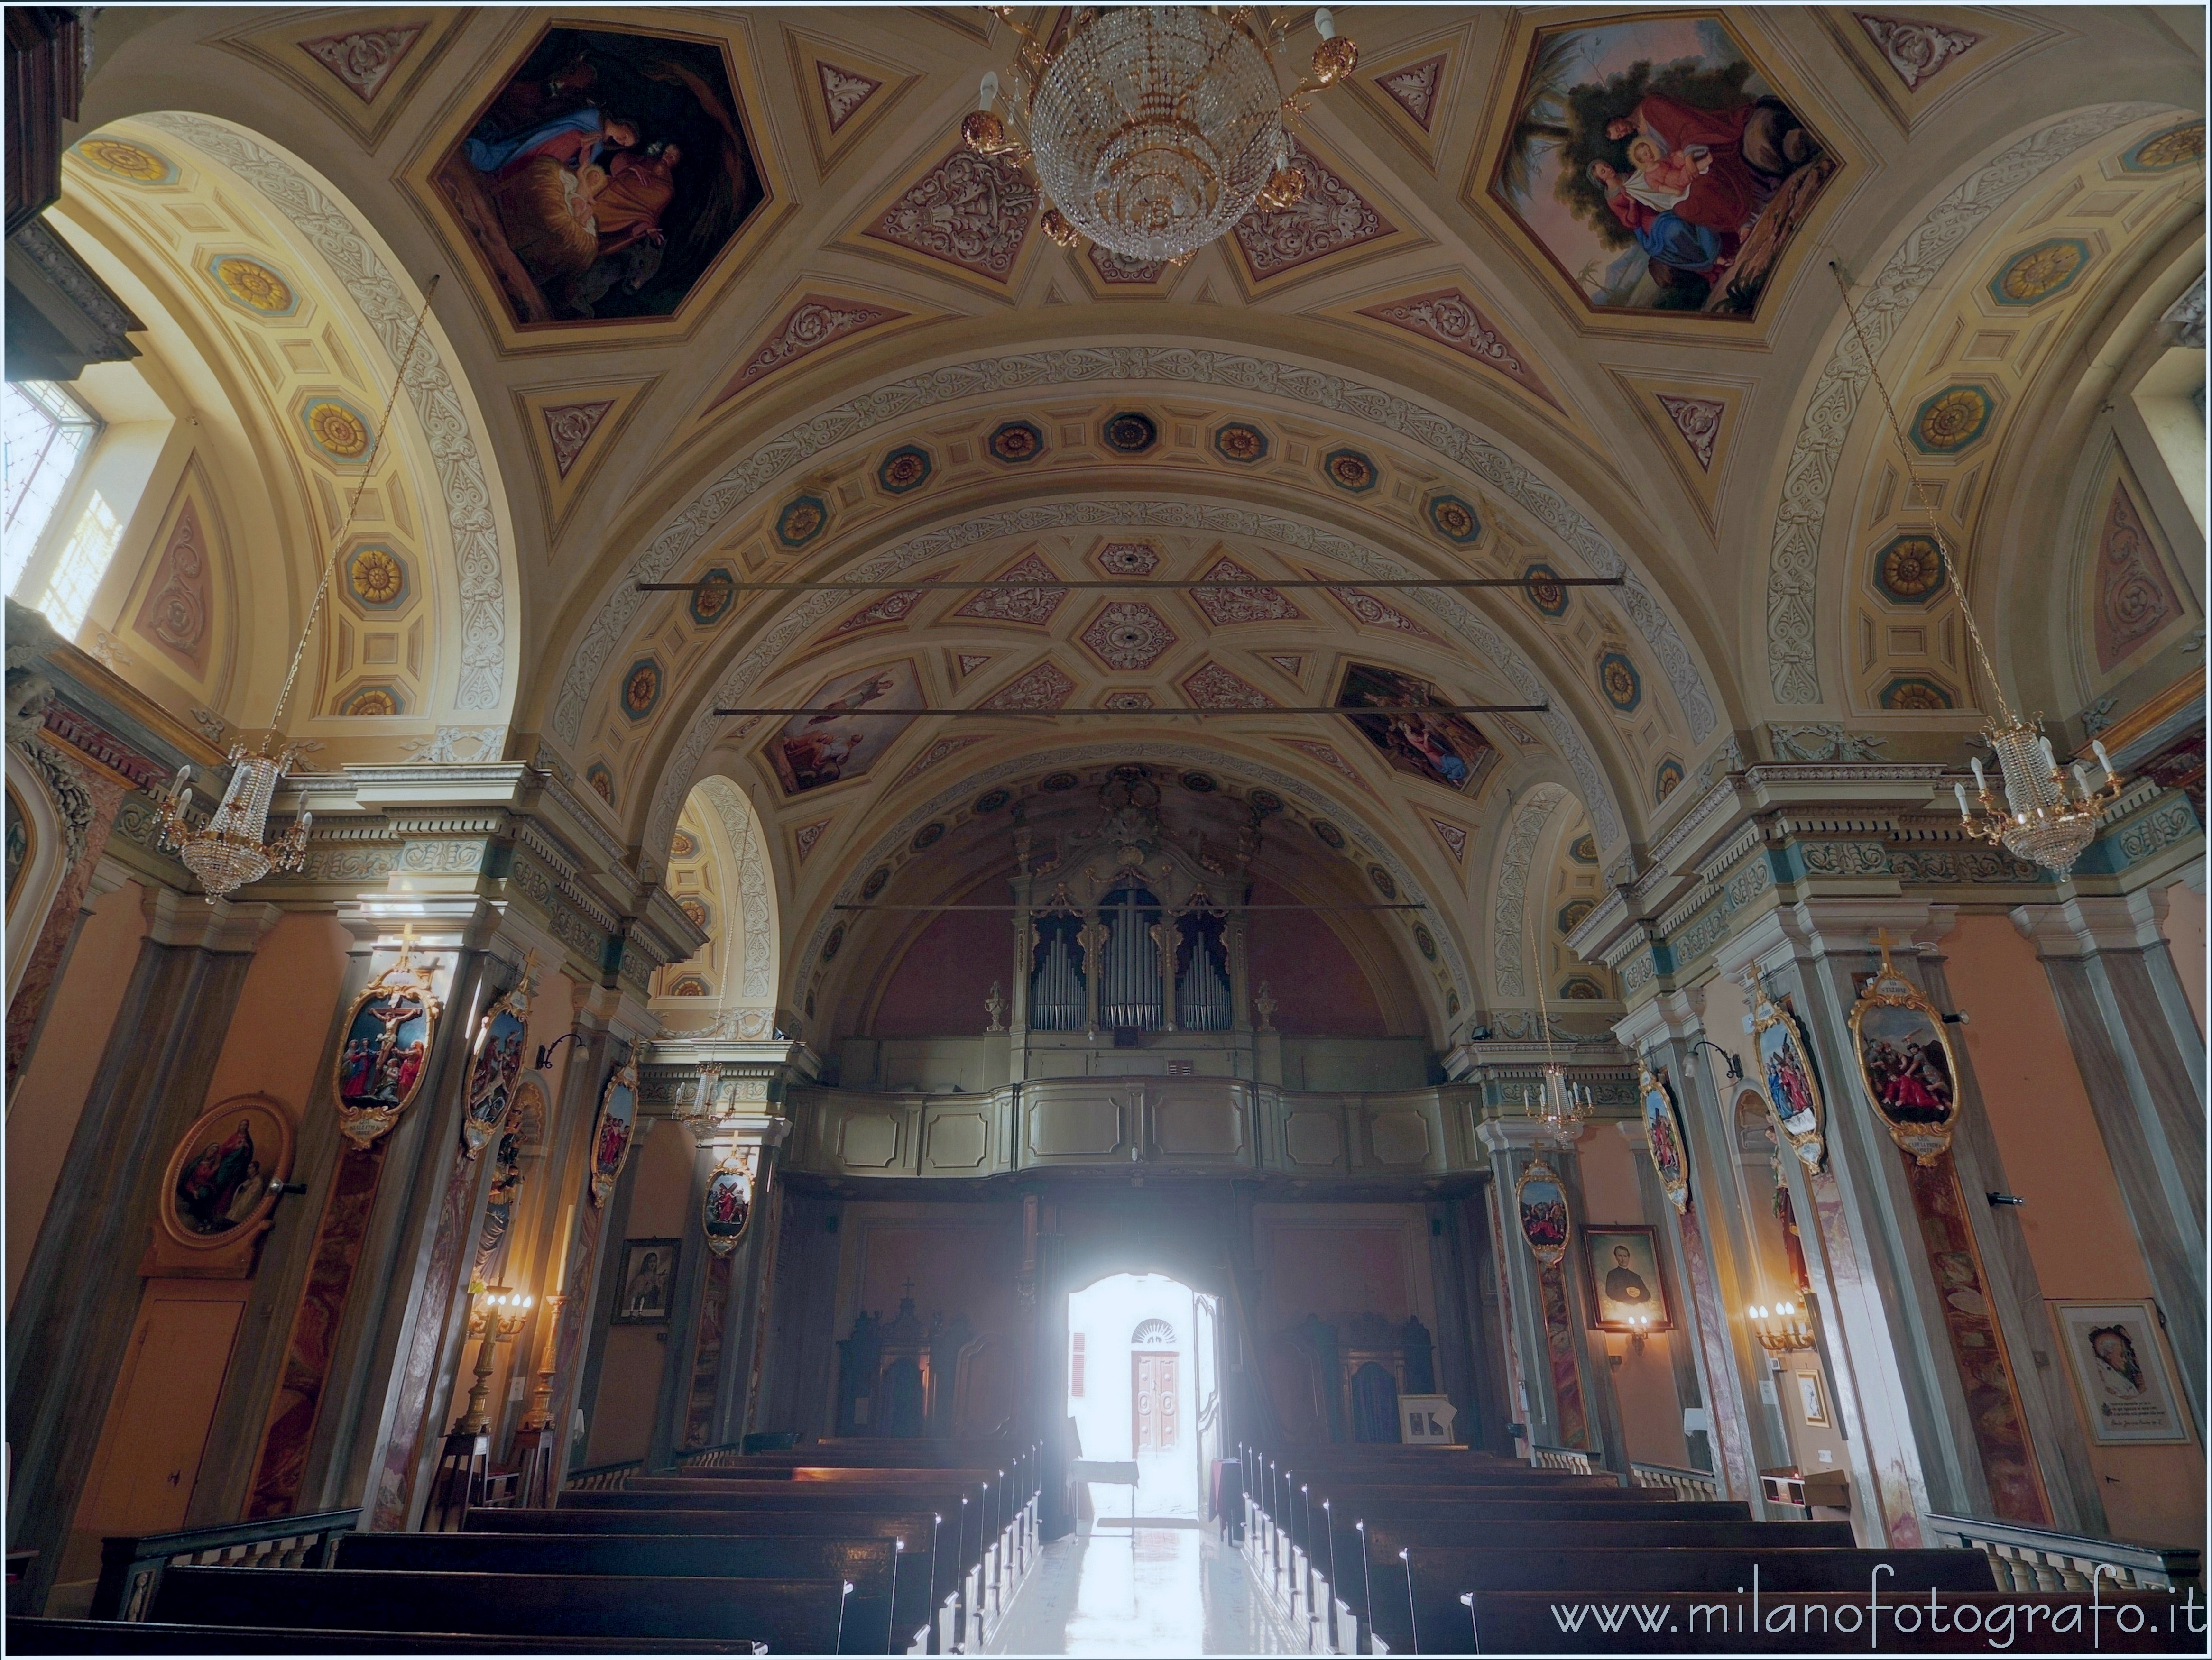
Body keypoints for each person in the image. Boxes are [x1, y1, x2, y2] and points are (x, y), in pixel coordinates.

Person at [1604, 1244, 1652, 1309]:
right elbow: (1610, 1292)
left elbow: (1647, 1294)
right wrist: (1626, 1292)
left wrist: (1639, 1293)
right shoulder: (1612, 1274)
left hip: (1638, 1308)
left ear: (1629, 1258)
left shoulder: (1636, 1276)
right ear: (1616, 1258)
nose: (1623, 1259)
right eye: (1620, 1256)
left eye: (1625, 1256)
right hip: (1621, 1308)